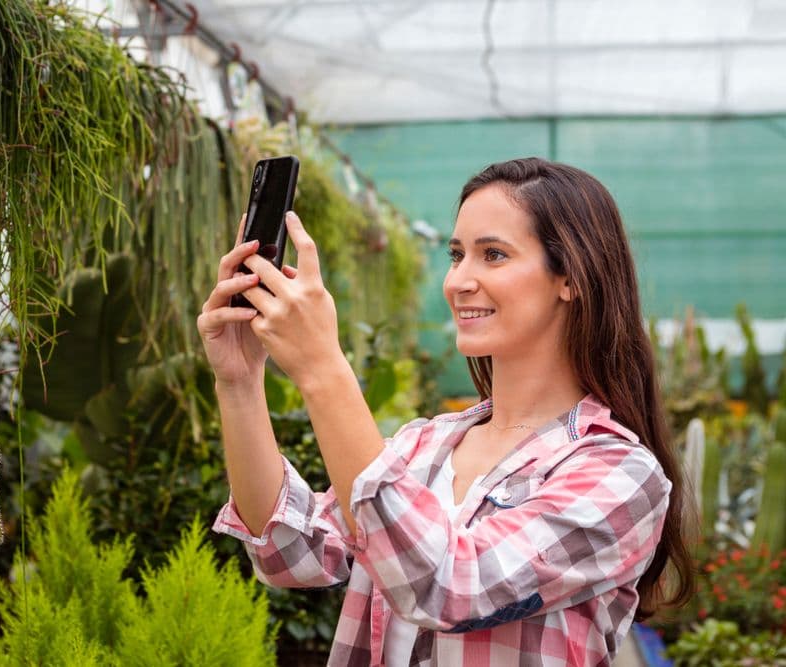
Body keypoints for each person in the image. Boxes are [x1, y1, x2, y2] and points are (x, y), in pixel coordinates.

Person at [197, 157, 693, 666]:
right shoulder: (423, 444)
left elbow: (448, 585)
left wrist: (324, 368)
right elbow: (291, 551)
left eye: (493, 255)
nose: (459, 281)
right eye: (457, 256)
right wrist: (239, 382)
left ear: (571, 277)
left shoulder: (618, 474)